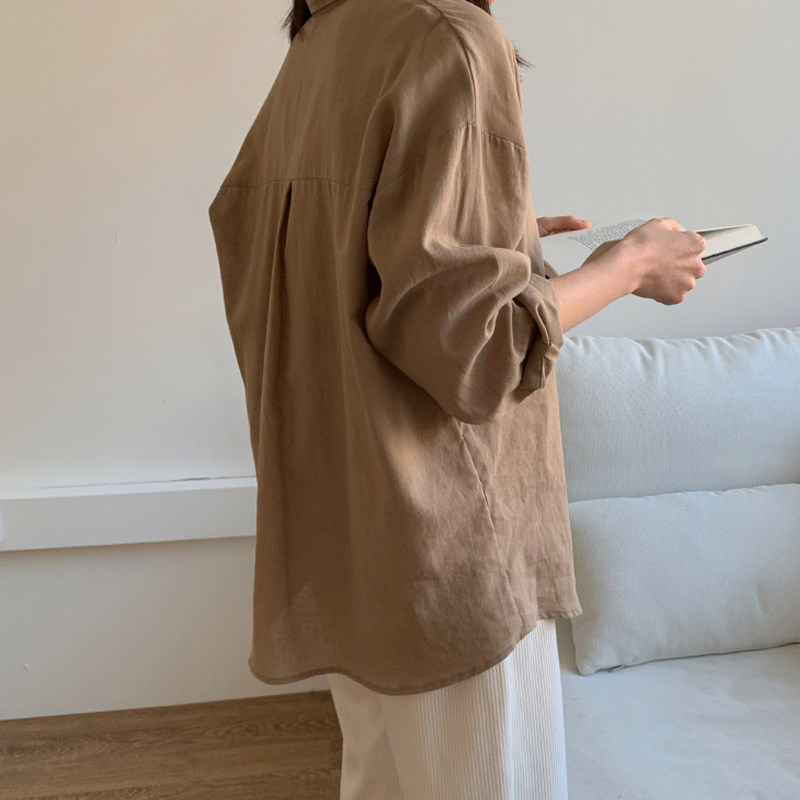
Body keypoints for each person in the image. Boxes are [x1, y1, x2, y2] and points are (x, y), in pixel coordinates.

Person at [207, 0, 707, 797]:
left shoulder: (321, 42)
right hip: (448, 542)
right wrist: (630, 266)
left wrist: (497, 230)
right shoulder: (450, 40)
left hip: (351, 533)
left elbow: (318, 267)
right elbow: (482, 348)